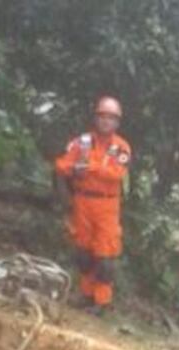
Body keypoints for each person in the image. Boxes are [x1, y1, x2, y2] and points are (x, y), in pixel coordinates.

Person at [54, 96, 132, 314]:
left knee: (106, 255)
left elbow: (116, 173)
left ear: (117, 122)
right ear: (96, 118)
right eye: (102, 117)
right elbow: (62, 164)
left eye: (111, 118)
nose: (106, 122)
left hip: (107, 205)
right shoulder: (82, 142)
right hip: (82, 201)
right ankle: (86, 294)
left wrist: (90, 167)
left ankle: (102, 301)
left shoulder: (121, 147)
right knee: (83, 252)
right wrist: (72, 170)